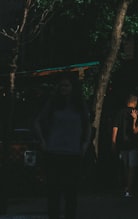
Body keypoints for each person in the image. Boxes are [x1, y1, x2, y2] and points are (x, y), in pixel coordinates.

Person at [34, 75, 91, 219]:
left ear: (72, 88)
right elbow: (37, 121)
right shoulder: (53, 104)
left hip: (73, 153)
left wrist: (85, 144)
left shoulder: (79, 105)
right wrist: (43, 141)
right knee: (54, 192)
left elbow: (88, 125)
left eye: (67, 86)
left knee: (71, 192)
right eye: (62, 86)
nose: (64, 89)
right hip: (54, 151)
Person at [111, 94, 138, 198]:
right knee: (132, 167)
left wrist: (113, 142)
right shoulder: (136, 113)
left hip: (122, 144)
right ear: (135, 102)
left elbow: (115, 128)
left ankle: (125, 187)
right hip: (133, 144)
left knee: (125, 167)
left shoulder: (119, 113)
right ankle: (129, 189)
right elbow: (135, 131)